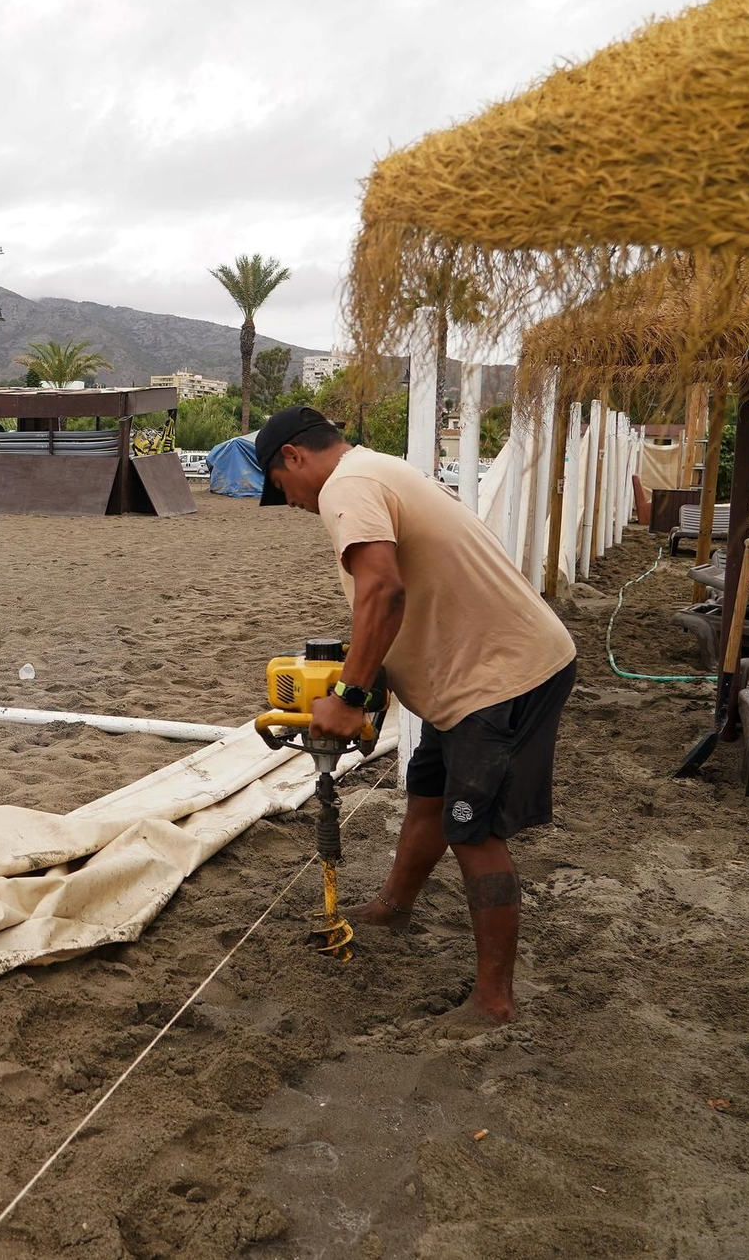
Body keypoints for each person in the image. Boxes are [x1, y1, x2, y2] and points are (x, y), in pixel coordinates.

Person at [255, 405, 576, 1033]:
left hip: (501, 678)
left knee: (472, 830)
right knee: (427, 795)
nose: (285, 499)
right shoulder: (378, 470)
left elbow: (384, 591)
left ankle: (493, 1003)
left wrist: (348, 696)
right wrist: (367, 678)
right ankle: (394, 906)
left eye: (276, 484)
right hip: (460, 684)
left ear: (293, 457)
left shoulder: (346, 485)